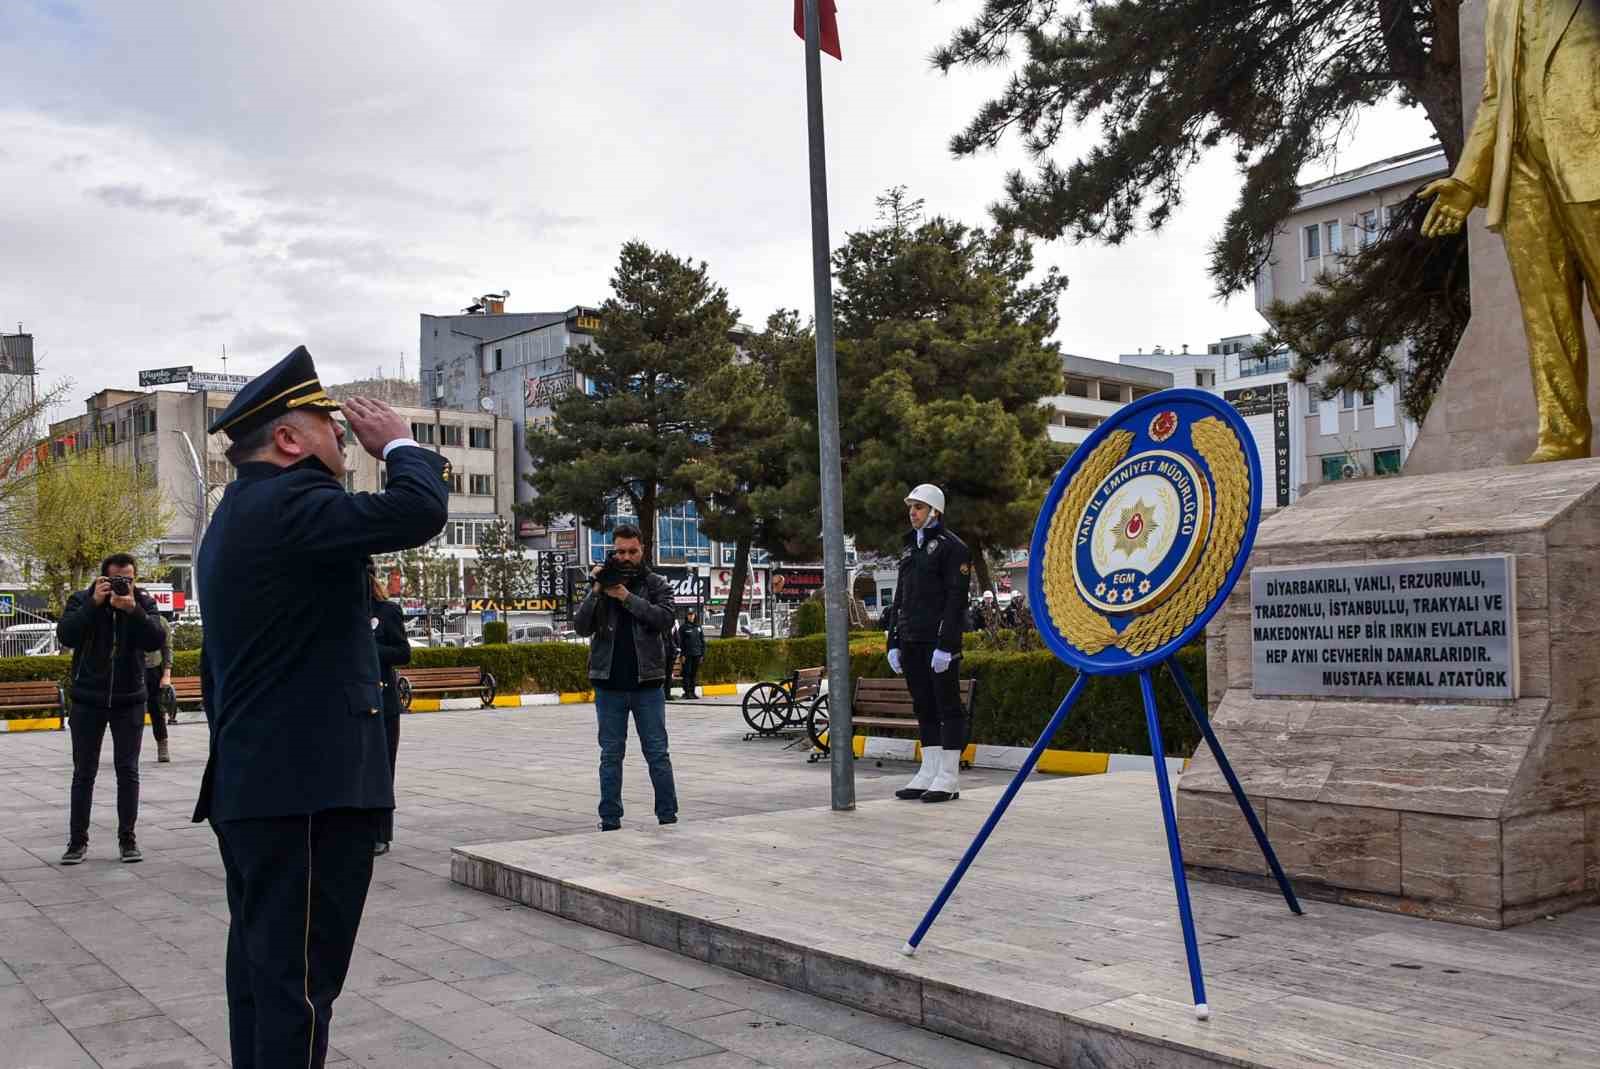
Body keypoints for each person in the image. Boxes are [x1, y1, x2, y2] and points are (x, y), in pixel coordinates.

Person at [192, 346, 448, 1069]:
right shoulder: (292, 502)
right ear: (288, 439)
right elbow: (419, 509)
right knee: (298, 991)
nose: (344, 435)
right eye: (328, 422)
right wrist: (399, 441)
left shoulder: (240, 514)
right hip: (303, 793)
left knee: (264, 984)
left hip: (262, 785)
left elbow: (218, 675)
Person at [1419, 0, 1600, 462]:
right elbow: (1495, 96)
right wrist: (1466, 181)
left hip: (1590, 154)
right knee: (1545, 315)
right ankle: (1561, 437)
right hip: (1523, 172)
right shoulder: (1499, 5)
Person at [57, 554, 167, 864]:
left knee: (128, 771)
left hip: (129, 698)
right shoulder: (82, 599)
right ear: (102, 578)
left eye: (128, 579)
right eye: (117, 579)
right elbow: (66, 634)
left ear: (135, 578)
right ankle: (77, 842)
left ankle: (127, 840)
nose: (123, 584)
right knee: (83, 773)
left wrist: (132, 609)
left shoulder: (142, 601)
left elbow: (155, 640)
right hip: (88, 700)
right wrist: (94, 604)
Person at [573, 524, 679, 830]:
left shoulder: (655, 582)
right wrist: (596, 591)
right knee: (610, 755)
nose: (626, 557)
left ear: (642, 549)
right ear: (612, 551)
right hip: (608, 686)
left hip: (647, 685)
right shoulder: (602, 584)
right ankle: (609, 819)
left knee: (657, 753)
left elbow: (665, 618)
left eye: (632, 551)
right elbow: (581, 627)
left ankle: (668, 816)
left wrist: (625, 596)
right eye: (620, 551)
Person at [885, 483, 972, 804]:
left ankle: (948, 777)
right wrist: (893, 640)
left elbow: (955, 600)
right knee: (924, 706)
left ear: (935, 511)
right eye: (911, 507)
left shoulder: (954, 548)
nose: (912, 512)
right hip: (911, 641)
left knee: (948, 706)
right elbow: (899, 599)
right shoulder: (910, 548)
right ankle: (929, 771)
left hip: (938, 644)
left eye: (918, 507)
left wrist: (946, 644)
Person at [370, 563, 410, 856]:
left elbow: (403, 652)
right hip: (349, 704)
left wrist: (369, 649)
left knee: (382, 771)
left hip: (382, 703)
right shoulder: (339, 614)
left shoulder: (387, 612)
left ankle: (380, 834)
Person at [144, 610, 173, 763]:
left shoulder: (160, 621)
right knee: (128, 712)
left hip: (154, 670)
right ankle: (127, 750)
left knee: (156, 709)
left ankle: (162, 745)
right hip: (131, 669)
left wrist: (167, 674)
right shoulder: (126, 616)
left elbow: (167, 648)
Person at [678, 607, 706, 700]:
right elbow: (680, 642)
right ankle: (687, 692)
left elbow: (702, 641)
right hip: (687, 655)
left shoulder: (698, 627)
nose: (691, 616)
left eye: (692, 615)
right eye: (689, 615)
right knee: (687, 673)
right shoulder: (683, 628)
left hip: (697, 654)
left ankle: (692, 692)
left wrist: (702, 654)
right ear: (687, 616)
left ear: (695, 615)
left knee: (694, 674)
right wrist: (682, 655)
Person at [662, 613, 679, 699]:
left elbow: (676, 638)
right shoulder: (661, 625)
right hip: (662, 653)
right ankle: (662, 694)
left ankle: (667, 694)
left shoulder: (673, 626)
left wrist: (677, 649)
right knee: (662, 675)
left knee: (669, 674)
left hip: (671, 653)